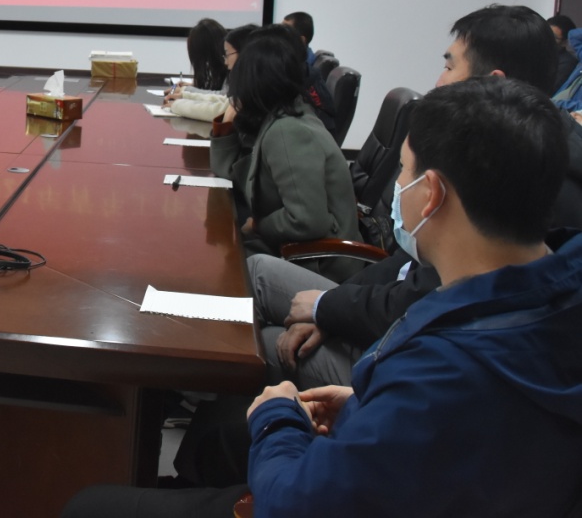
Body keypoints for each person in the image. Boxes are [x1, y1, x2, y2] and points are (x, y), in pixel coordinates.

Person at [65, 77, 582, 518]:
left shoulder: (442, 372)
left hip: (311, 490)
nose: (398, 188)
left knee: (88, 505)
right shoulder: (548, 295)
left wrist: (277, 416)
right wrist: (364, 407)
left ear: (431, 194)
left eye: (404, 172)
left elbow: (293, 503)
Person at [253, 3, 578, 390]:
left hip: (415, 356)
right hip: (394, 323)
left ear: (492, 81)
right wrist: (333, 312)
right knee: (260, 287)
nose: (439, 82)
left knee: (263, 342)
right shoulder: (513, 147)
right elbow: (408, 267)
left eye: (449, 66)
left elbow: (436, 298)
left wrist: (331, 314)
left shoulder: (523, 177)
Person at [210, 24, 357, 255]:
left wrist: (257, 226)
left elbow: (306, 220)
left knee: (218, 252)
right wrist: (226, 126)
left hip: (316, 260)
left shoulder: (287, 131)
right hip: (296, 248)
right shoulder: (281, 115)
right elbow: (234, 175)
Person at [166, 18, 232, 121]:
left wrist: (185, 92)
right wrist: (190, 88)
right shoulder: (222, 65)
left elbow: (223, 96)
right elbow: (219, 92)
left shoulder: (234, 68)